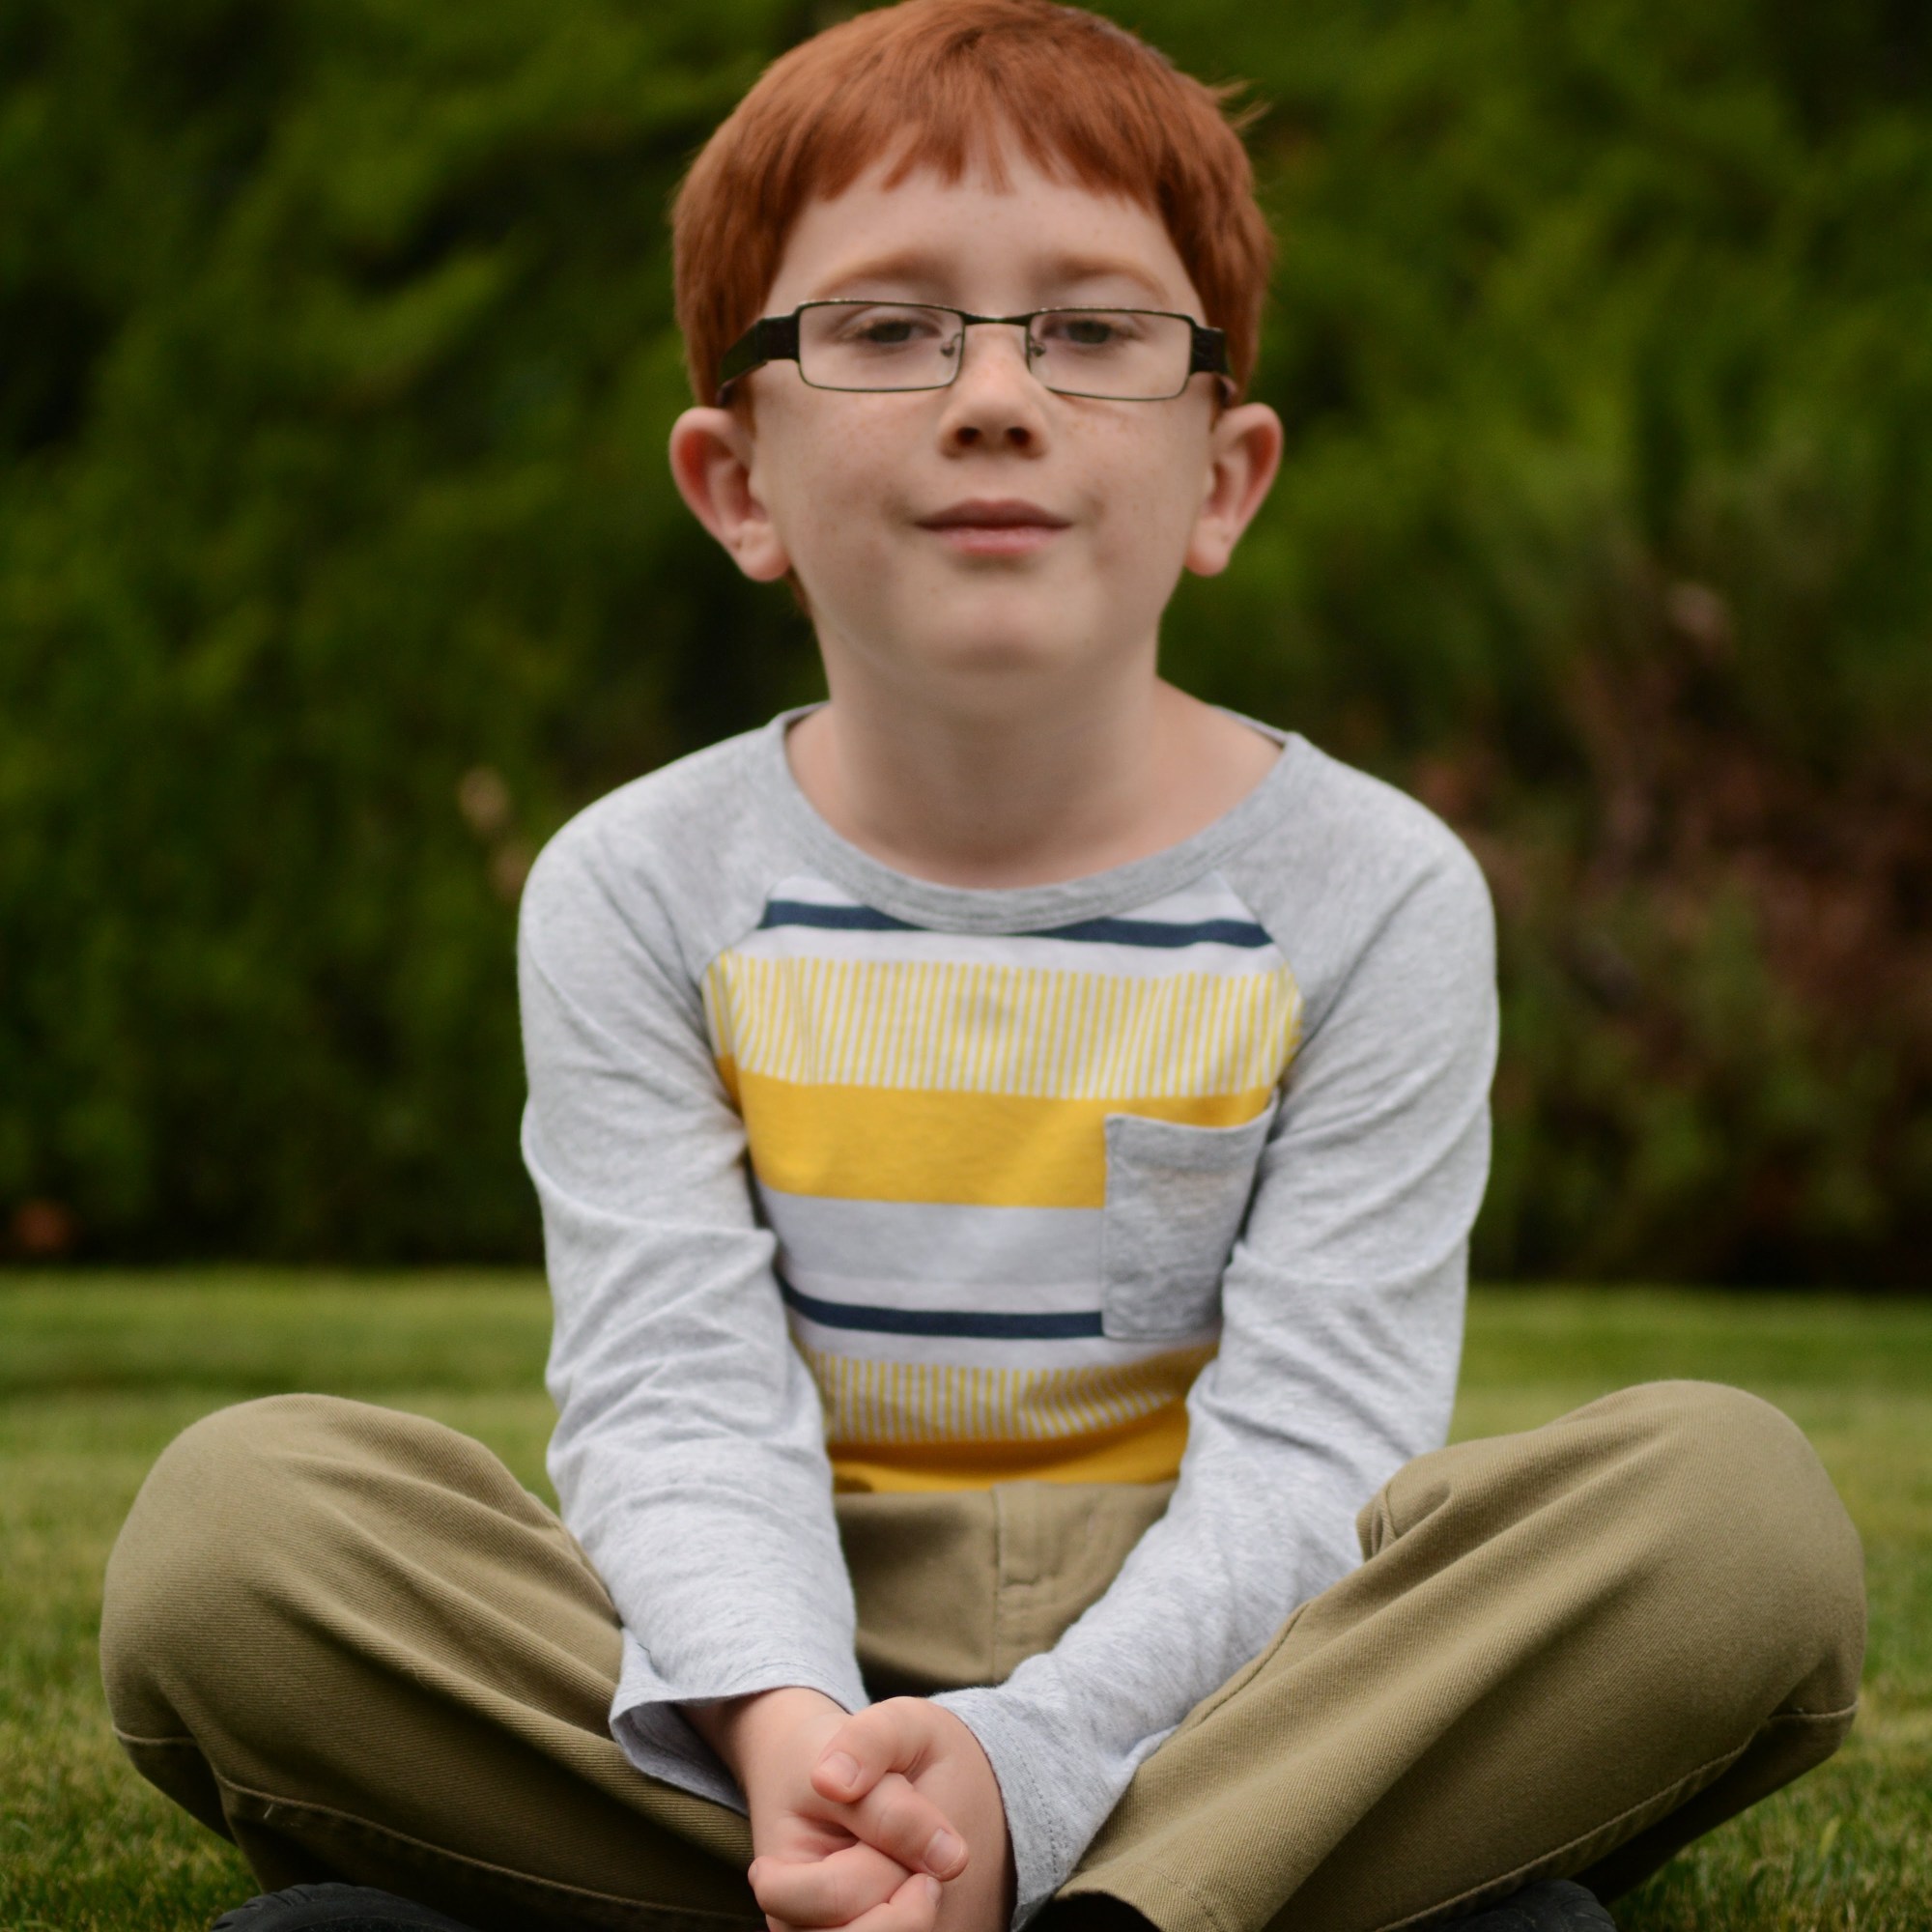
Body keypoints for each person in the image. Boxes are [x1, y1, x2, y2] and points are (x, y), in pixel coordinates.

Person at [99, 4, 1866, 1931]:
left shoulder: (1373, 890)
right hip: (765, 1669)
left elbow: (1311, 1454)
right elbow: (677, 1400)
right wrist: (791, 1742)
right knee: (232, 1540)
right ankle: (1037, 1893)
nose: (996, 396)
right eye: (885, 328)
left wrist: (1024, 1771)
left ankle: (1006, 1884)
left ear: (1223, 475)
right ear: (734, 481)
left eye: (1095, 331)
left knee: (1730, 1525)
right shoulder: (634, 883)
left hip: (1220, 1681)